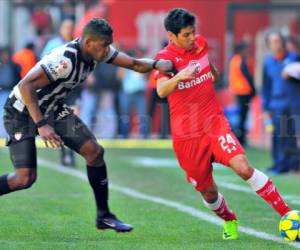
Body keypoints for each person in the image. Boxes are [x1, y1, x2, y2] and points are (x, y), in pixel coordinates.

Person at [0, 18, 172, 232]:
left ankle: (104, 216)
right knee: (25, 178)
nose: (108, 49)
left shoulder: (97, 50)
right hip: (21, 111)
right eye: (104, 45)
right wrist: (42, 125)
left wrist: (157, 64)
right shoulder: (65, 60)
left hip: (51, 107)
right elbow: (26, 86)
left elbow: (135, 64)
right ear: (89, 42)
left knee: (94, 152)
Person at [155, 8, 292, 240]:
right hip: (187, 137)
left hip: (214, 124)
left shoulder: (200, 44)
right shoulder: (165, 59)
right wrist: (180, 76)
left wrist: (212, 74)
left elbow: (211, 71)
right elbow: (161, 90)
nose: (191, 38)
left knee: (243, 167)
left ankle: (288, 215)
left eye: (193, 32)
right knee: (208, 192)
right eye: (186, 35)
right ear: (172, 35)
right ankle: (229, 219)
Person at [262, 31, 300, 174]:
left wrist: (292, 71)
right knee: (277, 134)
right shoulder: (268, 62)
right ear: (268, 45)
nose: (275, 44)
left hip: (293, 102)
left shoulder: (293, 58)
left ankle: (291, 164)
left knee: (290, 135)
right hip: (276, 103)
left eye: (278, 41)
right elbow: (266, 85)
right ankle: (278, 164)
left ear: (283, 42)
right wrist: (265, 106)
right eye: (272, 42)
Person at [42, 18, 77, 166]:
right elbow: (43, 61)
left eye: (71, 27)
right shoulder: (54, 44)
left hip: (73, 88)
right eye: (66, 27)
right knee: (61, 122)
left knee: (73, 121)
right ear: (61, 29)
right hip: (58, 89)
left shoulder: (77, 44)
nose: (68, 30)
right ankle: (64, 153)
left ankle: (71, 153)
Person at [228, 41, 256, 145]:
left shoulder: (234, 60)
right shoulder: (240, 61)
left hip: (237, 91)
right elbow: (248, 76)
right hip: (244, 91)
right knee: (243, 116)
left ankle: (240, 137)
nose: (247, 52)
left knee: (241, 115)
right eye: (246, 50)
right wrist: (253, 89)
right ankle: (241, 138)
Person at [0, 46, 21, 137]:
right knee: (2, 114)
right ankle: (2, 134)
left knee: (13, 113)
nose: (6, 56)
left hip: (13, 93)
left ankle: (12, 132)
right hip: (2, 93)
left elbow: (19, 79)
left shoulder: (15, 66)